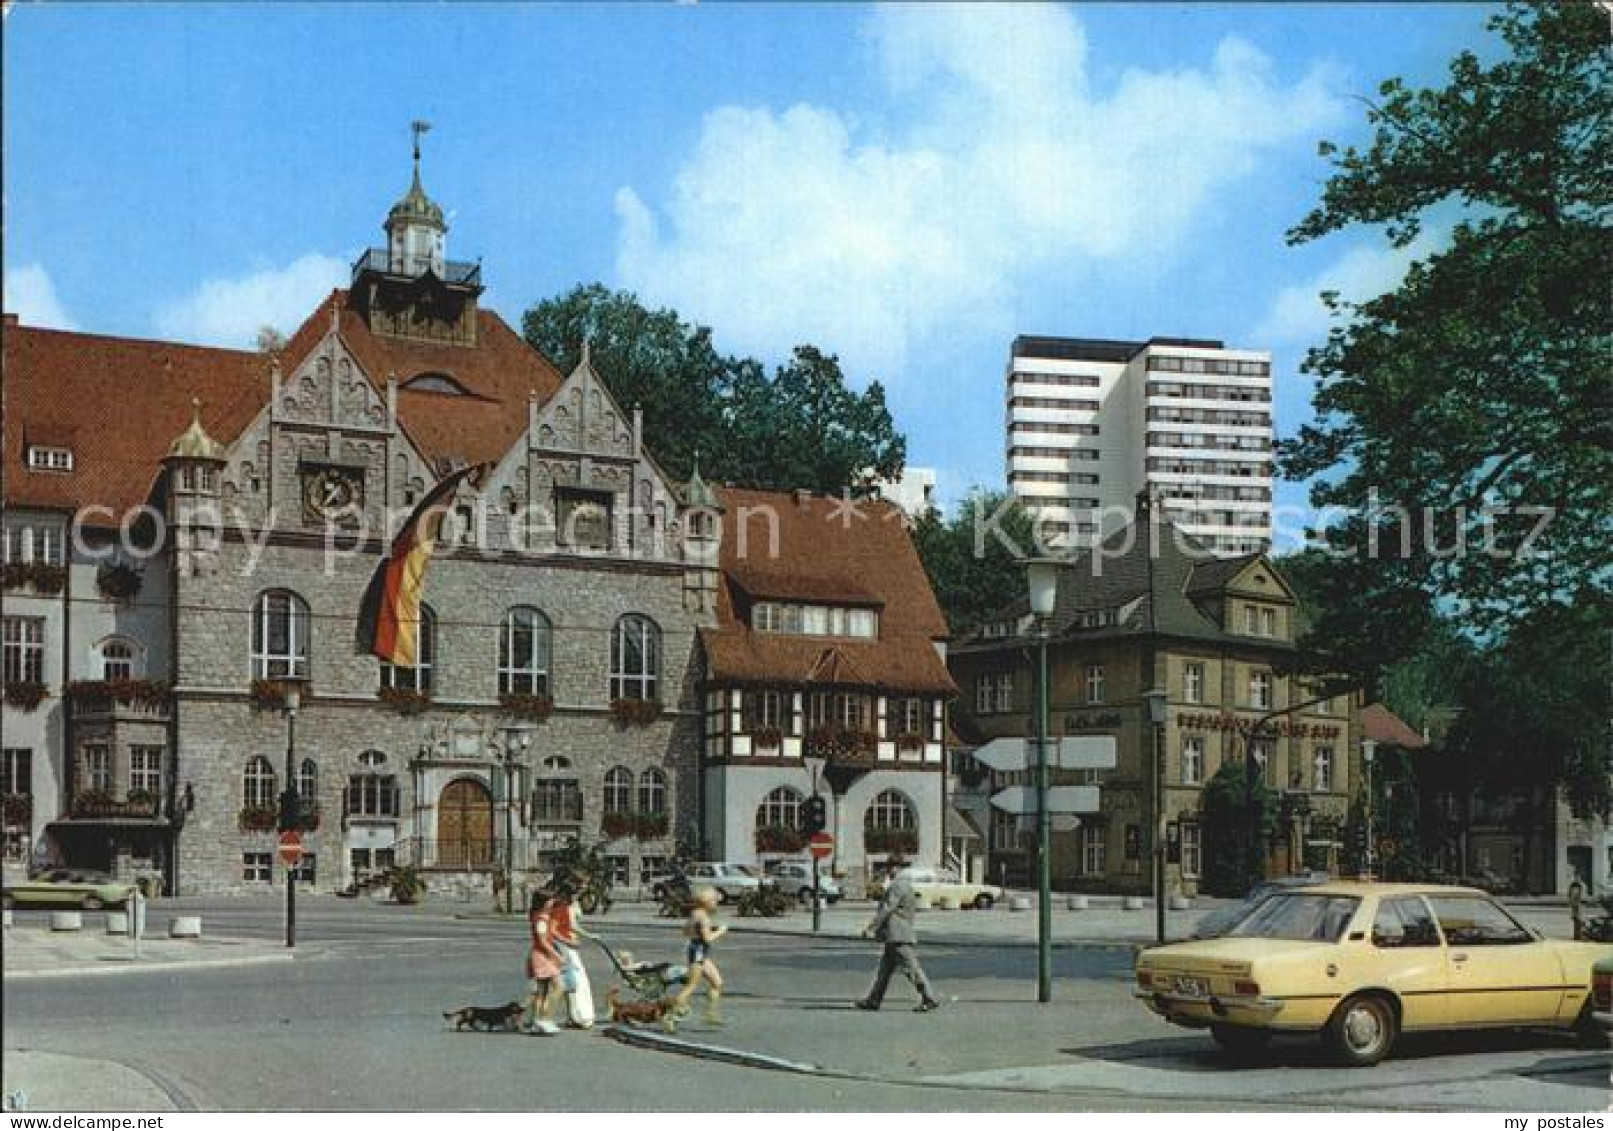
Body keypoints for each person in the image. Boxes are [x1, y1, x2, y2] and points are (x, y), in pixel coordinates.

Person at [855, 858, 940, 1013]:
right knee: (884, 971)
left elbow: (887, 908)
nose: (890, 870)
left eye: (892, 867)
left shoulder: (898, 885)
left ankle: (929, 997)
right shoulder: (905, 884)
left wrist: (871, 927)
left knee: (911, 968)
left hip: (898, 934)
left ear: (899, 868)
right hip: (895, 934)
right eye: (889, 867)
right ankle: (874, 1000)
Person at [665, 885, 726, 1031]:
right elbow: (708, 939)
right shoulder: (704, 918)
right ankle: (670, 1014)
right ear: (708, 902)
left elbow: (685, 931)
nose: (716, 904)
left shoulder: (695, 913)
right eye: (714, 901)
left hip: (696, 951)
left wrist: (694, 935)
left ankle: (711, 1014)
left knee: (717, 982)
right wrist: (720, 931)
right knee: (691, 986)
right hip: (698, 952)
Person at [551, 882, 596, 1029]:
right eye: (575, 893)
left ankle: (575, 1015)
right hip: (565, 948)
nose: (577, 896)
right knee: (574, 981)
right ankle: (579, 1016)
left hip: (567, 946)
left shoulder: (565, 906)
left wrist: (588, 936)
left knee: (573, 982)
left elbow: (570, 925)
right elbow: (554, 930)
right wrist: (569, 941)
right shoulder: (560, 907)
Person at [523, 888, 563, 1035]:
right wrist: (556, 955)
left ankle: (538, 1021)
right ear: (544, 902)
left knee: (543, 991)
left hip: (539, 955)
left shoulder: (539, 916)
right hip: (542, 956)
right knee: (558, 987)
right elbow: (543, 941)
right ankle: (545, 1018)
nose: (553, 902)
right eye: (550, 900)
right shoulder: (541, 919)